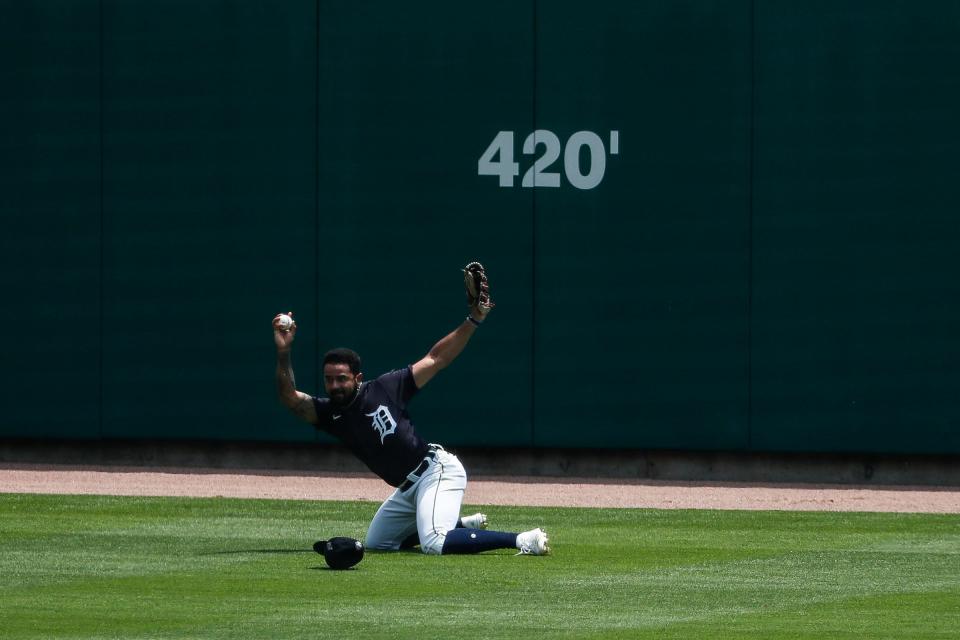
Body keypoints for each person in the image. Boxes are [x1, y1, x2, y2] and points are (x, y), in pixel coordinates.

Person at [272, 267, 550, 556]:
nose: (334, 385)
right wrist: (283, 352)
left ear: (357, 377)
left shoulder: (384, 388)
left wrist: (474, 319)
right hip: (407, 489)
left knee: (435, 543)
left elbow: (436, 358)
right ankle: (457, 525)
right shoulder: (331, 414)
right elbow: (290, 398)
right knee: (378, 543)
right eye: (329, 379)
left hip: (435, 470)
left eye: (341, 378)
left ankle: (522, 539)